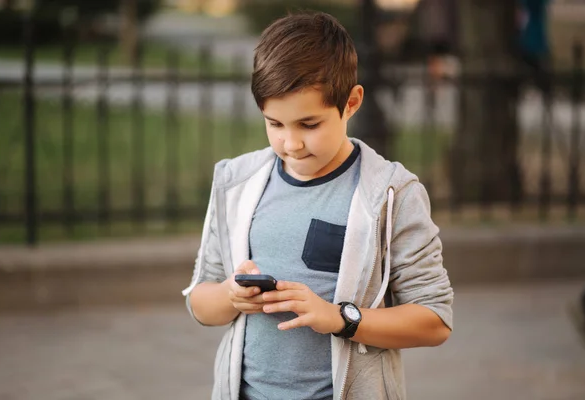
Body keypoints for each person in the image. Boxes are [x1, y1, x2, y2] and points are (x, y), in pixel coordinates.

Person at [182, 12, 454, 400]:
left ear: (351, 102)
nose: (291, 143)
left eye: (309, 125)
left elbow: (435, 321)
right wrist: (230, 296)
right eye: (275, 124)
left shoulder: (394, 193)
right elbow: (198, 301)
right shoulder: (236, 183)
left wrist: (342, 319)